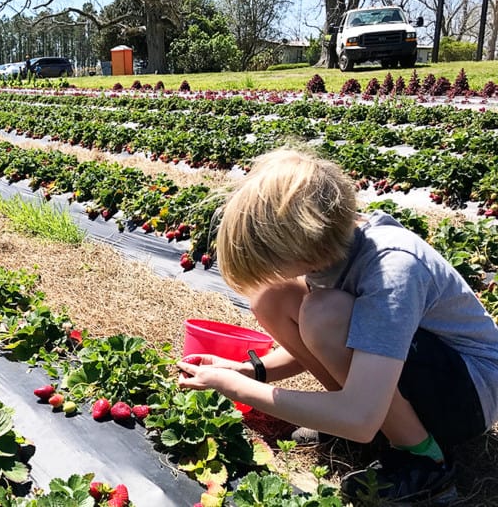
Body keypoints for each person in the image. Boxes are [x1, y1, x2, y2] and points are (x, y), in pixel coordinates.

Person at [177, 147, 498, 504]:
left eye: (274, 261)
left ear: (305, 248)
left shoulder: (393, 269)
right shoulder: (331, 252)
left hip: (471, 395)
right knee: (274, 296)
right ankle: (369, 420)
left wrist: (234, 387)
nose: (274, 271)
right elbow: (333, 342)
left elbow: (357, 407)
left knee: (322, 313)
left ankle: (423, 459)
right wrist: (250, 370)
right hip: (413, 375)